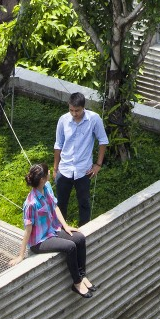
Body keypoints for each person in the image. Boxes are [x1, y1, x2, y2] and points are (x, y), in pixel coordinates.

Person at [15, 163, 95, 298]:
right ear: (42, 179)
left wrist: (65, 226)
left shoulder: (46, 188)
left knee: (79, 238)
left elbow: (55, 207)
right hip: (40, 241)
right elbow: (28, 230)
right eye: (47, 173)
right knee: (70, 247)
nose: (50, 173)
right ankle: (76, 283)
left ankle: (82, 275)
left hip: (52, 230)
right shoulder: (31, 203)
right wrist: (21, 255)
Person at [52, 92, 108, 226]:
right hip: (64, 168)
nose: (74, 113)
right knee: (61, 202)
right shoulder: (63, 120)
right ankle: (60, 228)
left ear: (83, 107)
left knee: (84, 202)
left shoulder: (94, 119)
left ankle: (84, 229)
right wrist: (55, 168)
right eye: (71, 110)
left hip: (83, 170)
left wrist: (98, 164)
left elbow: (103, 140)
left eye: (77, 110)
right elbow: (58, 144)